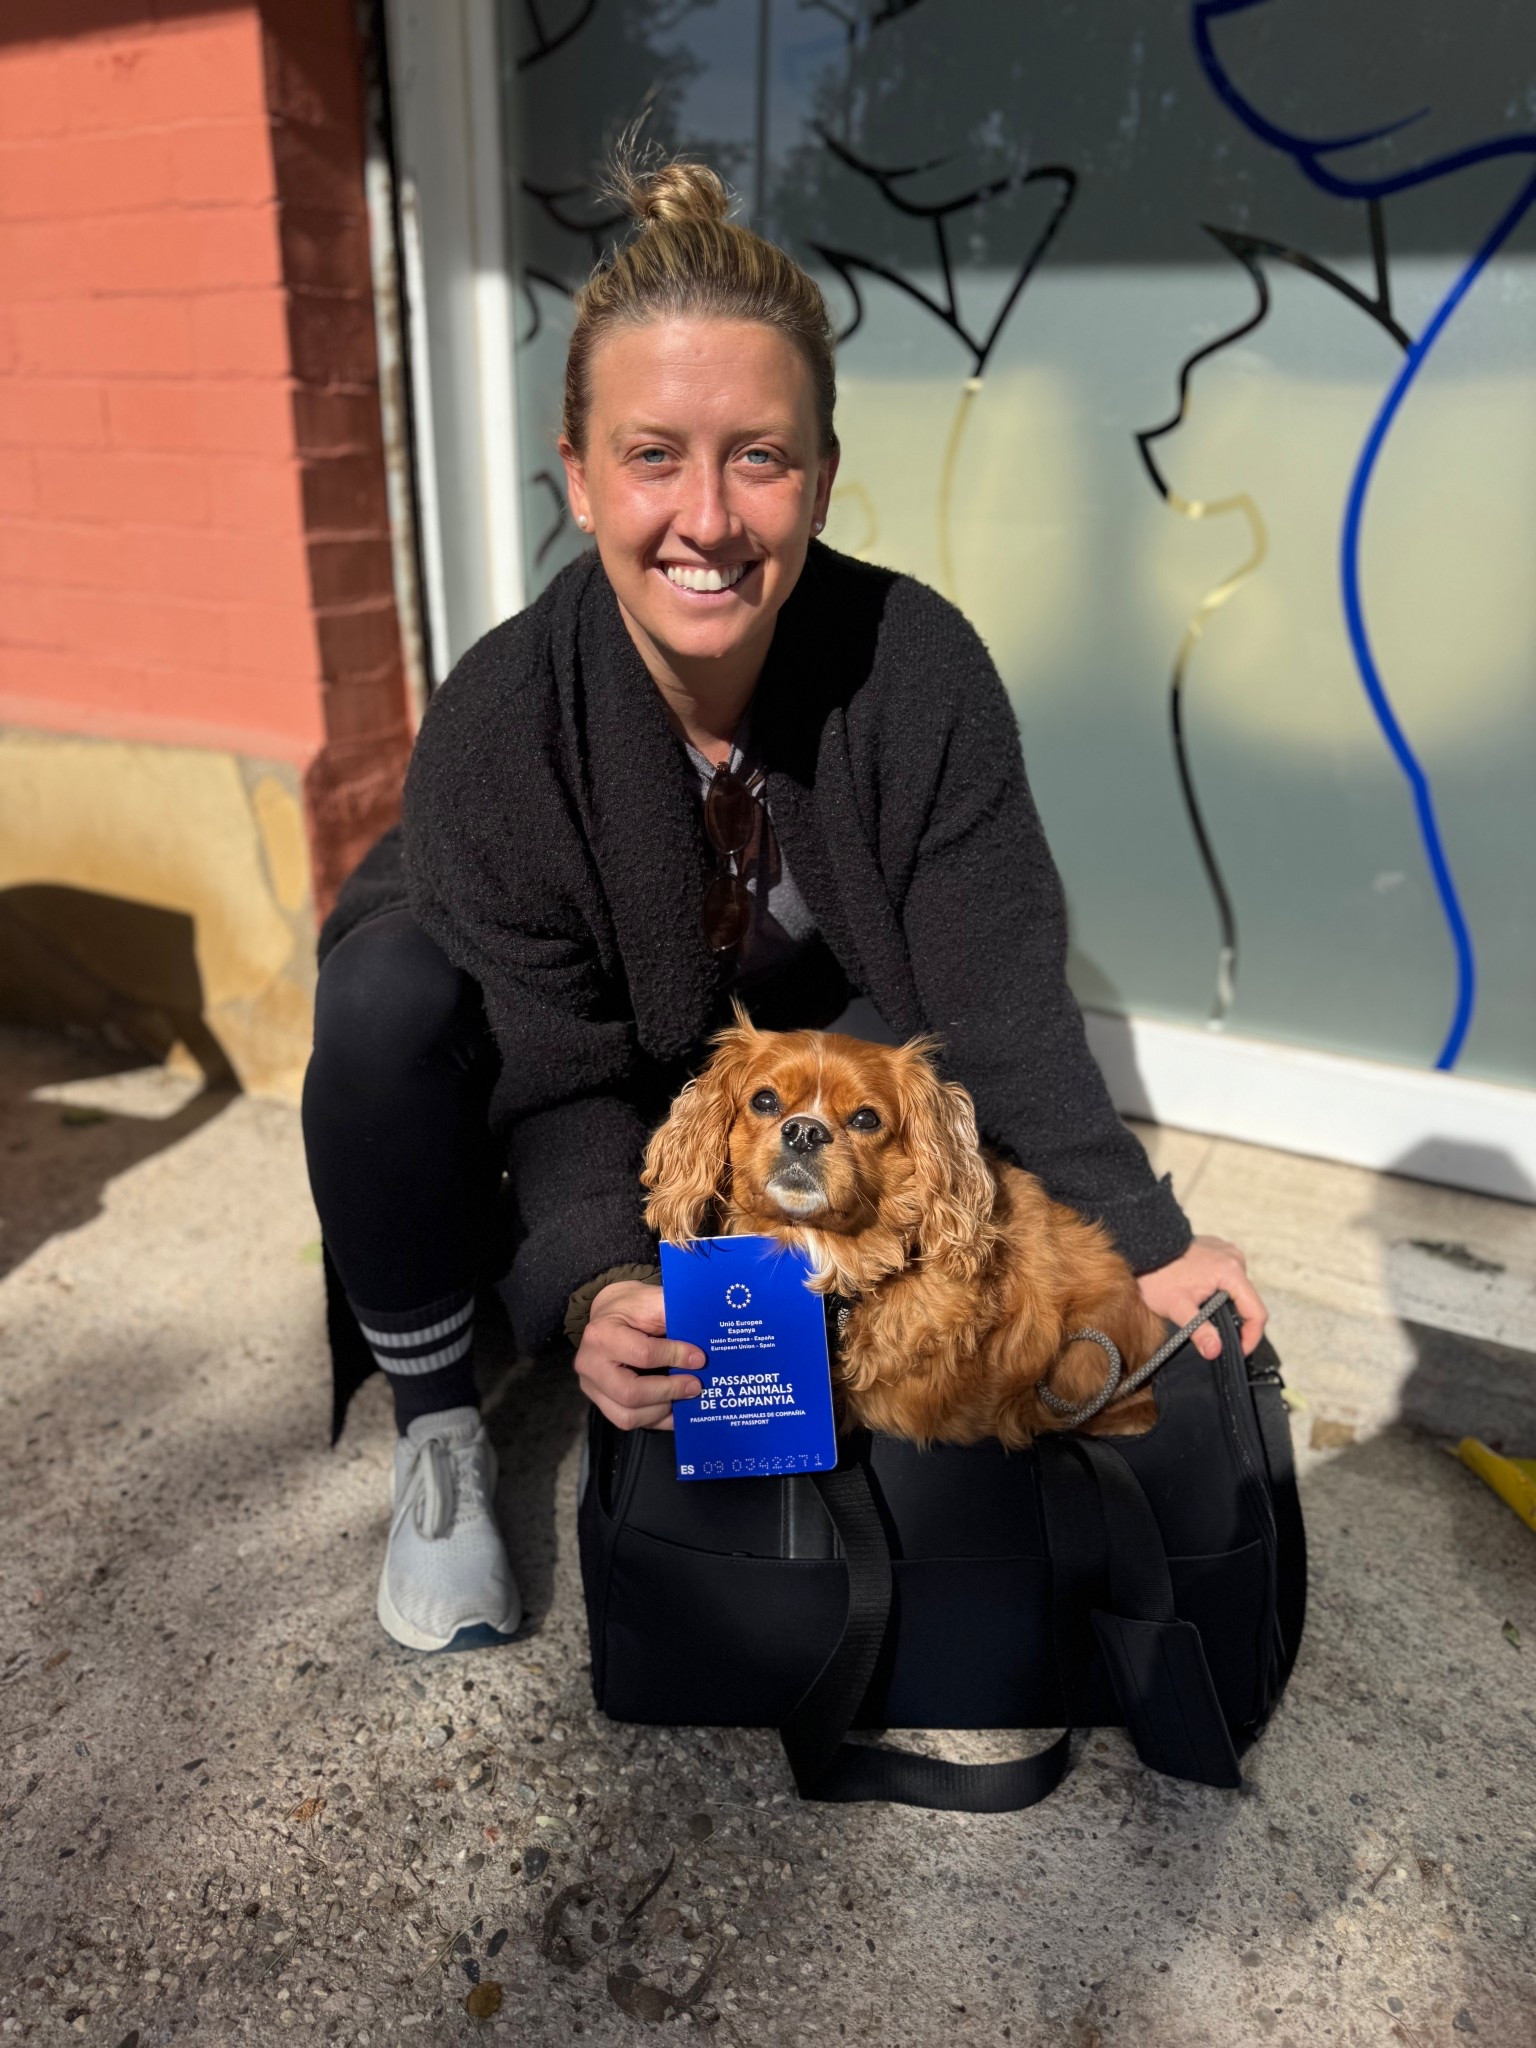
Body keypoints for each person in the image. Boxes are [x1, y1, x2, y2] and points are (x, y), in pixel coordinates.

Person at [302, 153, 1269, 1655]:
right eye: (653, 457)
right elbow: (563, 1078)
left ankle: (823, 1337)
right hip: (538, 1041)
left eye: (758, 457)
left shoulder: (917, 668)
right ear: (576, 476)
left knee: (913, 1080)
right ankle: (439, 1431)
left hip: (757, 1056)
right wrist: (599, 1285)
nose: (708, 517)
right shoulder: (500, 722)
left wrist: (1145, 1235)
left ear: (820, 473)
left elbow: (993, 994)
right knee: (377, 1007)